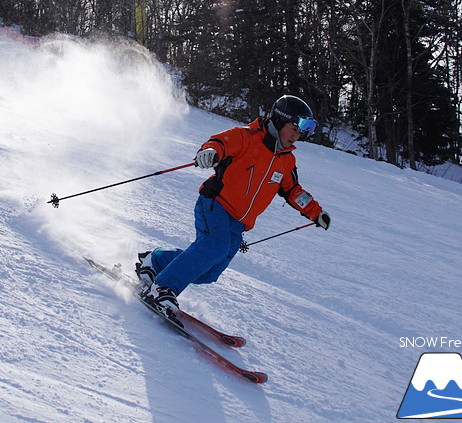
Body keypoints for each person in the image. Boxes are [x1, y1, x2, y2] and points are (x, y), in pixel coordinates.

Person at [136, 95, 330, 317]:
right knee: (214, 246)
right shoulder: (246, 136)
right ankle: (163, 288)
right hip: (215, 204)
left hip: (238, 223)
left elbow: (293, 190)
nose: (297, 135)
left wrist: (316, 213)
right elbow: (219, 143)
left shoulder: (286, 160)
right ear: (278, 120)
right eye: (294, 128)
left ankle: (155, 259)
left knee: (209, 271)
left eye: (301, 131)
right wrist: (210, 152)